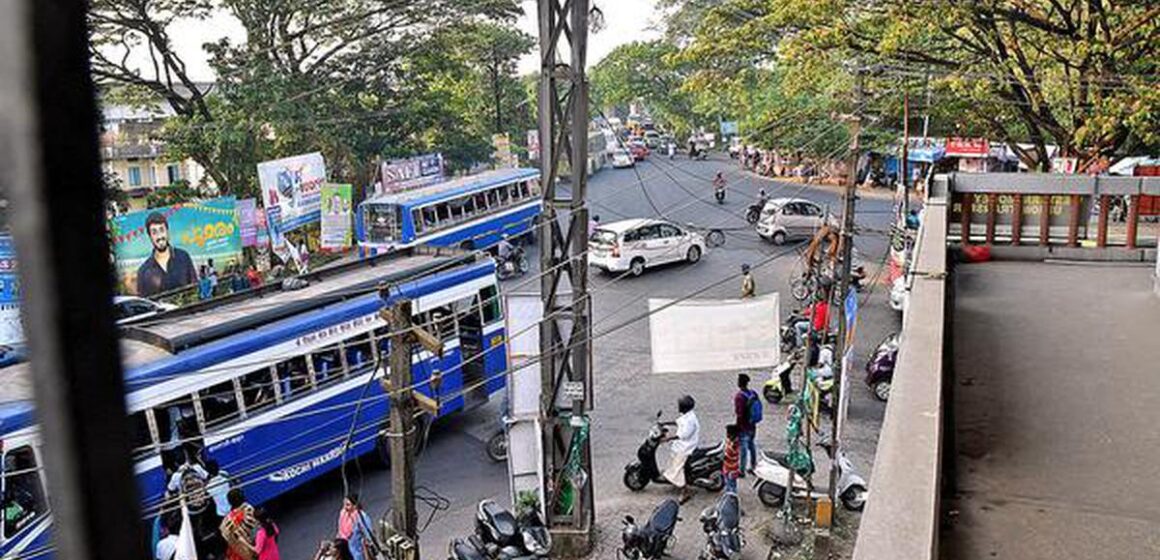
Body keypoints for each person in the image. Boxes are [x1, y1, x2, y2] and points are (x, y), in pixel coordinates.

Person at [136, 212, 198, 297]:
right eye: (154, 232)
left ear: (167, 232)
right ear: (150, 237)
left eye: (162, 230)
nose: (159, 236)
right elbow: (145, 304)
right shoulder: (143, 272)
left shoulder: (183, 257)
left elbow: (195, 290)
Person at [663, 395, 700, 504]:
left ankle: (685, 492)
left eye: (680, 405)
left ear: (684, 407)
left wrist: (667, 439)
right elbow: (679, 422)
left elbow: (682, 435)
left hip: (686, 447)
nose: (678, 407)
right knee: (674, 462)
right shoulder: (687, 415)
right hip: (681, 445)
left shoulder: (690, 420)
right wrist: (665, 423)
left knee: (678, 468)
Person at [733, 374, 760, 477]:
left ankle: (742, 470)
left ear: (739, 383)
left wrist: (737, 427)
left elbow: (739, 414)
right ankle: (753, 467)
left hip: (743, 426)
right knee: (751, 445)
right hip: (752, 425)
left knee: (743, 449)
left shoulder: (739, 397)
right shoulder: (753, 393)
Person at [220, 488, 257, 560]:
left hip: (236, 549)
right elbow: (253, 527)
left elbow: (224, 533)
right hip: (250, 546)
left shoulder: (228, 518)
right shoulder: (248, 509)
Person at [336, 494, 374, 560]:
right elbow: (340, 530)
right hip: (344, 551)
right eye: (344, 504)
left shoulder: (361, 517)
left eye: (348, 505)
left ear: (355, 506)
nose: (345, 507)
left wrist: (367, 543)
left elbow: (368, 532)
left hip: (357, 552)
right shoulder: (343, 514)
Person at [722, 424, 741, 494]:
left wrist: (724, 455)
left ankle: (731, 496)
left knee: (730, 485)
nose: (726, 435)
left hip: (731, 468)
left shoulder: (733, 444)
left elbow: (728, 454)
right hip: (731, 468)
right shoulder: (732, 441)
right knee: (731, 483)